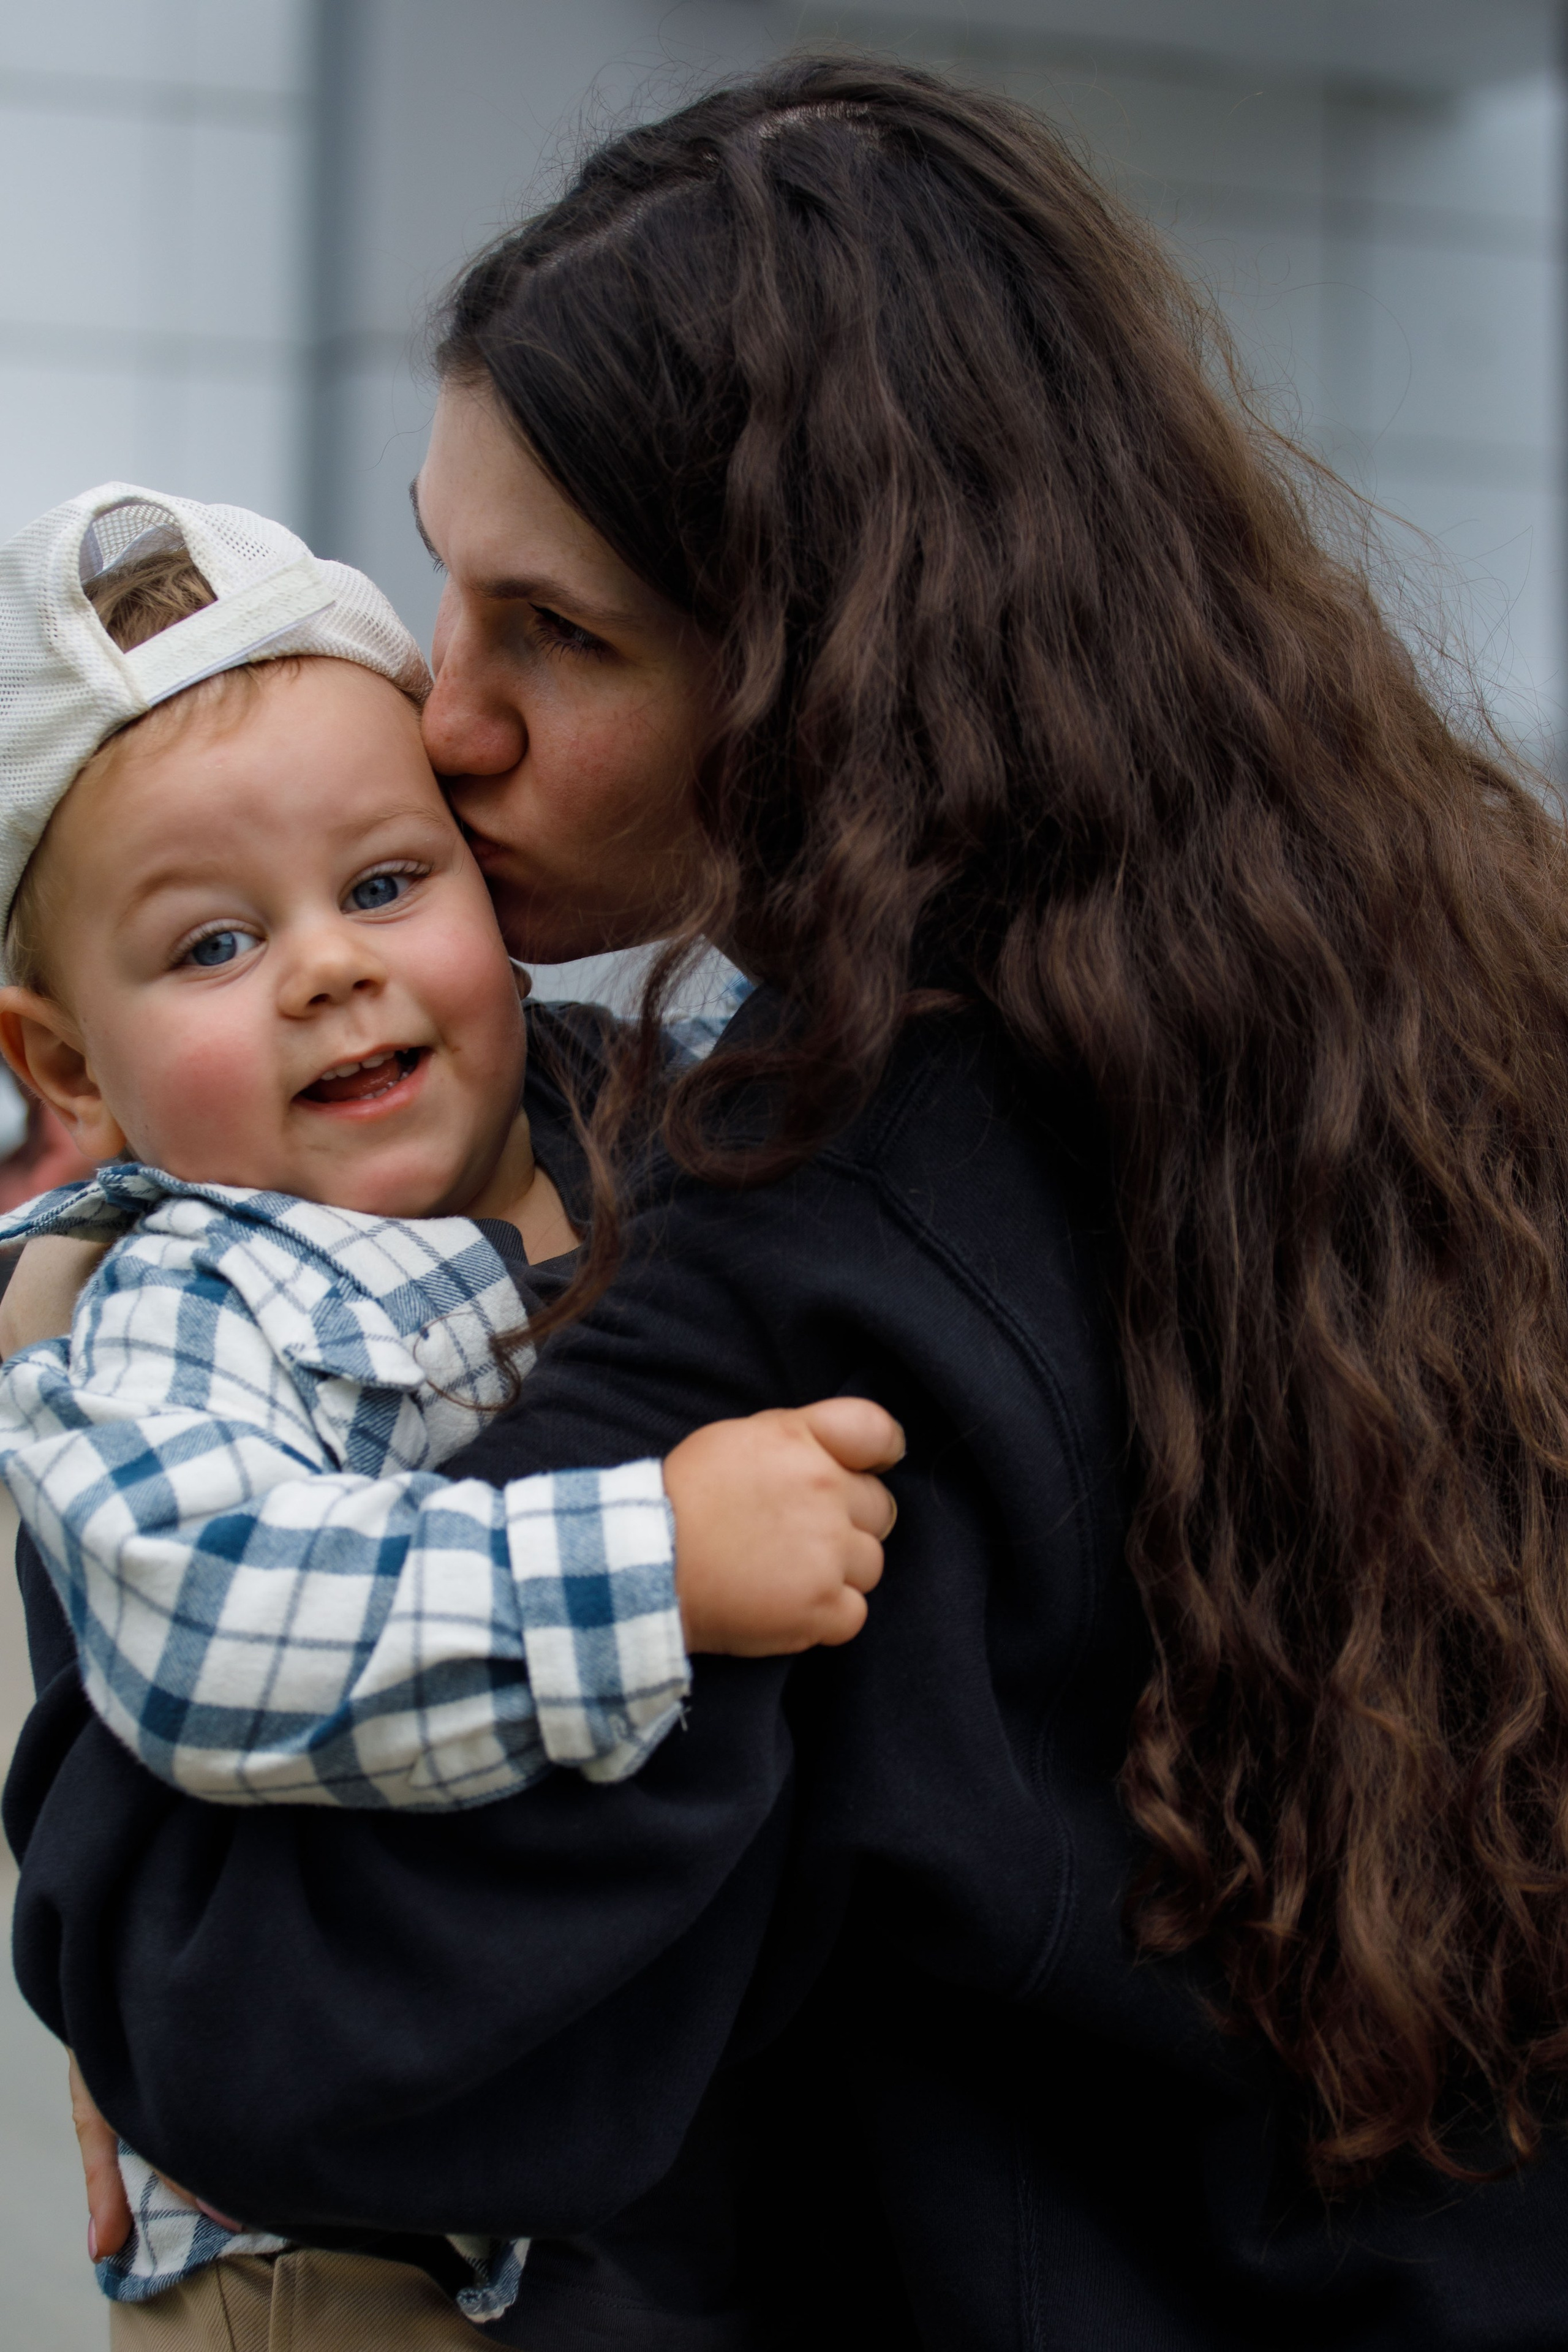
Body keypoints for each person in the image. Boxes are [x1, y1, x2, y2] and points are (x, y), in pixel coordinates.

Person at [14, 50, 1568, 2348]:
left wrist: (89, 1582)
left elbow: (279, 2035)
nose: (447, 721)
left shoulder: (805, 1258)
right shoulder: (1427, 1043)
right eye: (448, 591)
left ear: (832, 670)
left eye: (560, 635)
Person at [0, 481, 897, 2335]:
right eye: (212, 947)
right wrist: (652, 1562)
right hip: (333, 2263)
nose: (330, 965)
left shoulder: (600, 1118)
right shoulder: (190, 1292)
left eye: (388, 885)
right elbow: (209, 1609)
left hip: (572, 2188)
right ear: (66, 1063)